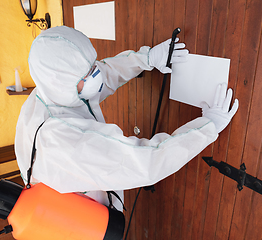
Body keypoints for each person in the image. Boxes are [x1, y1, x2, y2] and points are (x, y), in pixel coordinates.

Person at [15, 26, 239, 211]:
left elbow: (105, 72)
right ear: (61, 83)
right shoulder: (59, 141)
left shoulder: (53, 91)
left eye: (91, 65)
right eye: (86, 75)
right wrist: (208, 127)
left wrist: (146, 58)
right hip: (81, 224)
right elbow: (146, 163)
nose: (95, 74)